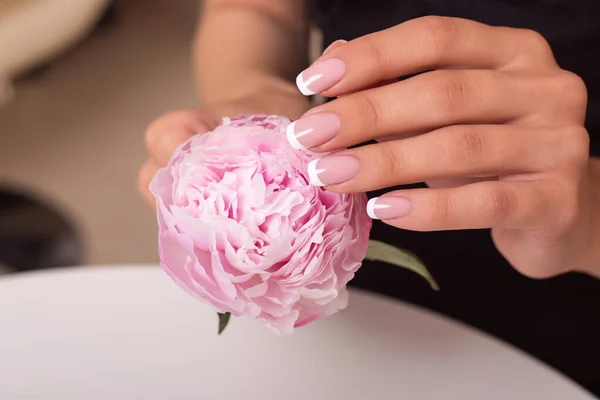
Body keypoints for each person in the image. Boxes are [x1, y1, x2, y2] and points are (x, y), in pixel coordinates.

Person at [137, 0, 600, 393]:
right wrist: (255, 93)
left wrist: (586, 220)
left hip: (563, 322)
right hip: (339, 305)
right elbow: (256, 10)